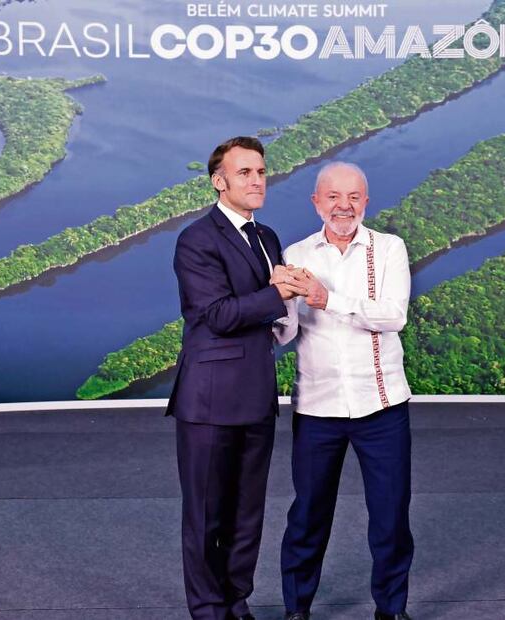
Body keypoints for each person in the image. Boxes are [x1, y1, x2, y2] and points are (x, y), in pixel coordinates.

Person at [168, 136, 305, 620]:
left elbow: (269, 314)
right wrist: (279, 292)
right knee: (207, 515)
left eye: (261, 172)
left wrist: (289, 296)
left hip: (257, 395)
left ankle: (236, 601)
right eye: (244, 172)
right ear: (218, 182)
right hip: (209, 401)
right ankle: (208, 610)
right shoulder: (196, 239)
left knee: (248, 514)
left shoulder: (267, 236)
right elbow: (218, 315)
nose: (257, 180)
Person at [275, 162, 414, 620]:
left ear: (366, 202)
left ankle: (391, 610)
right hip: (317, 409)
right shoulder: (297, 253)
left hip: (382, 406)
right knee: (308, 515)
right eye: (333, 197)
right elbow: (285, 332)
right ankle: (297, 610)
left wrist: (327, 299)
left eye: (353, 197)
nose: (343, 206)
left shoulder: (389, 248)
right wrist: (273, 300)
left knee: (390, 517)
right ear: (316, 202)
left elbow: (393, 315)